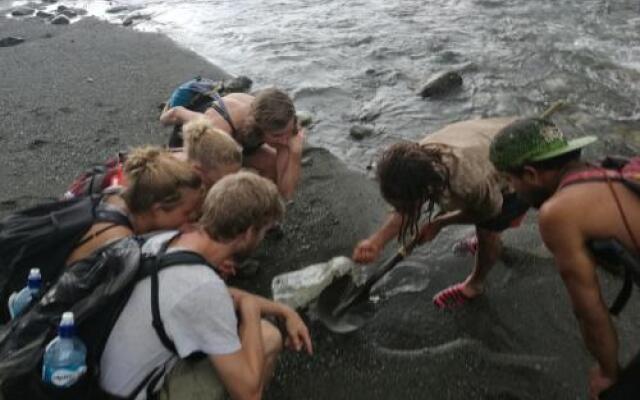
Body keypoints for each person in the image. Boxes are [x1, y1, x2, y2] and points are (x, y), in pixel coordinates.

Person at [99, 171, 313, 400]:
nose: (261, 240)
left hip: (106, 373)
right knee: (267, 337)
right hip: (133, 394)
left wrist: (283, 309)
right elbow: (249, 394)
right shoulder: (201, 287)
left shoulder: (166, 240)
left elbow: (218, 294)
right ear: (249, 233)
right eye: (262, 232)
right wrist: (251, 310)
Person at [489, 118, 639, 399]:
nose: (510, 190)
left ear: (531, 174)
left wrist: (607, 372)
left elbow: (589, 309)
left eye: (510, 180)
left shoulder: (558, 212)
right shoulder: (610, 171)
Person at [352, 117, 530, 309]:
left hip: (521, 160)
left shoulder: (468, 182)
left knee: (488, 231)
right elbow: (407, 207)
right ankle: (508, 222)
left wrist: (440, 223)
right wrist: (377, 241)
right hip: (492, 138)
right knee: (486, 212)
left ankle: (475, 285)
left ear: (425, 190)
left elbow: (490, 211)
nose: (405, 208)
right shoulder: (416, 160)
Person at [66, 146, 204, 265]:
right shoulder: (119, 245)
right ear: (158, 210)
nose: (193, 218)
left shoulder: (115, 197)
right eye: (187, 213)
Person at [160, 88, 304, 200]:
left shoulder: (285, 126)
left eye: (288, 132)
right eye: (277, 136)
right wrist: (164, 117)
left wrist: (295, 154)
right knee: (212, 178)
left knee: (271, 165)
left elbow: (286, 193)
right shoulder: (219, 123)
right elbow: (177, 113)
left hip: (241, 141)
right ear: (259, 128)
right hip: (191, 138)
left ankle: (260, 209)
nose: (285, 140)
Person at [179, 117, 243, 190]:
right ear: (199, 172)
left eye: (237, 175)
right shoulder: (183, 195)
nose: (235, 185)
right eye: (225, 181)